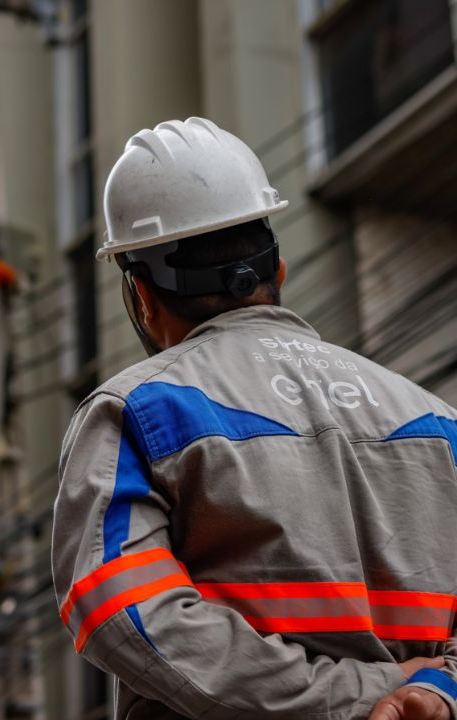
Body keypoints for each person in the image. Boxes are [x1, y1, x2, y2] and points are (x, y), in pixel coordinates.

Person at [50, 117, 457, 720]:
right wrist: (435, 691)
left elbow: (121, 609)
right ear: (278, 272)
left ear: (141, 295)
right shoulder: (438, 421)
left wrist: (357, 695)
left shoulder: (133, 411)